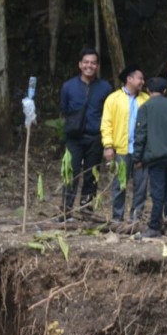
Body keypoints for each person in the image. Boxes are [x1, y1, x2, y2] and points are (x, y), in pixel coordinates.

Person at [59, 48, 112, 218]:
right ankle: (66, 209)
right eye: (86, 62)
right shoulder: (68, 86)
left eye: (93, 63)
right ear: (80, 65)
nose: (89, 65)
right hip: (74, 137)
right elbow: (64, 109)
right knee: (71, 172)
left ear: (97, 66)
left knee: (92, 175)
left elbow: (108, 113)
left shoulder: (105, 87)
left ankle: (87, 209)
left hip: (95, 137)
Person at [133, 77, 167, 239]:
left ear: (148, 91)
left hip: (155, 156)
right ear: (165, 91)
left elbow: (140, 135)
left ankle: (154, 226)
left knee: (157, 192)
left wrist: (137, 157)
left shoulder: (145, 107)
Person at [101, 64, 150, 222]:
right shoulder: (113, 99)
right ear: (129, 79)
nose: (142, 81)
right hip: (121, 149)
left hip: (141, 151)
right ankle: (117, 218)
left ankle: (136, 219)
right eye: (139, 78)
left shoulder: (146, 99)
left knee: (141, 186)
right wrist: (108, 146)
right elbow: (106, 123)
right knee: (119, 185)